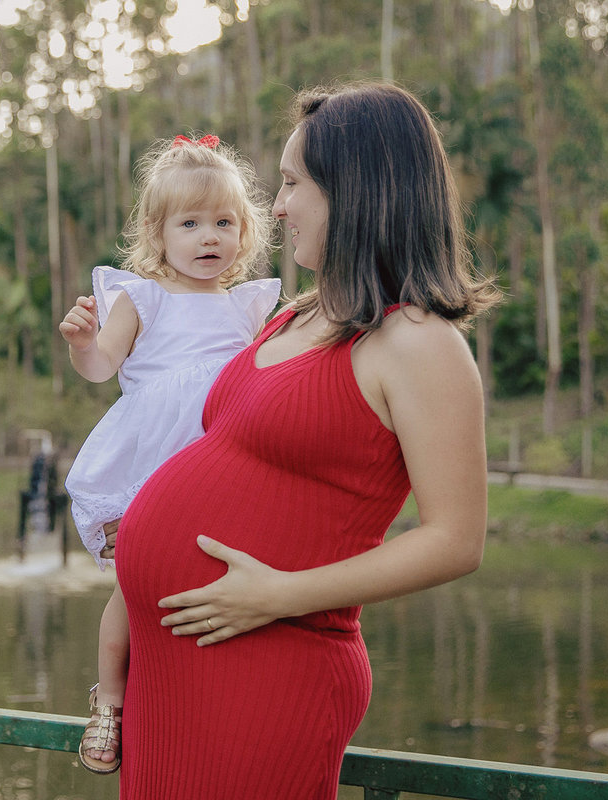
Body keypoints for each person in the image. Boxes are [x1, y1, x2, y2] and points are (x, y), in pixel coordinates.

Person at [108, 82, 501, 798]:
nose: (278, 206)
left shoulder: (418, 342)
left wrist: (280, 595)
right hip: (176, 674)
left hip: (267, 667)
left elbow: (456, 538)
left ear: (355, 189)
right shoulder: (296, 314)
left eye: (292, 183)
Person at [59, 134, 280, 774]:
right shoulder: (143, 298)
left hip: (222, 460)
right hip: (153, 463)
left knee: (212, 581)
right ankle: (110, 701)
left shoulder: (249, 306)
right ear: (158, 234)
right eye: (190, 223)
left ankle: (206, 704)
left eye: (223, 222)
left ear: (245, 232)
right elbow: (103, 367)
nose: (208, 236)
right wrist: (81, 343)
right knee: (136, 582)